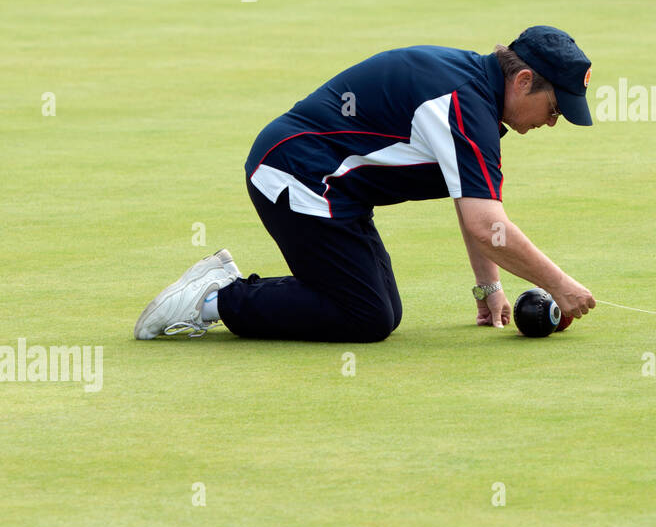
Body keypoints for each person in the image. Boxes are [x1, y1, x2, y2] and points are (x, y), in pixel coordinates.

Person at [135, 26, 597, 342]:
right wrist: (560, 285)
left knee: (382, 311)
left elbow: (474, 206)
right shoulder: (464, 105)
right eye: (555, 110)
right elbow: (484, 225)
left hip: (335, 191)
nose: (553, 124)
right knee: (365, 316)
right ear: (522, 80)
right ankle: (213, 299)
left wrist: (488, 287)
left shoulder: (476, 95)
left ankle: (221, 289)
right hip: (297, 175)